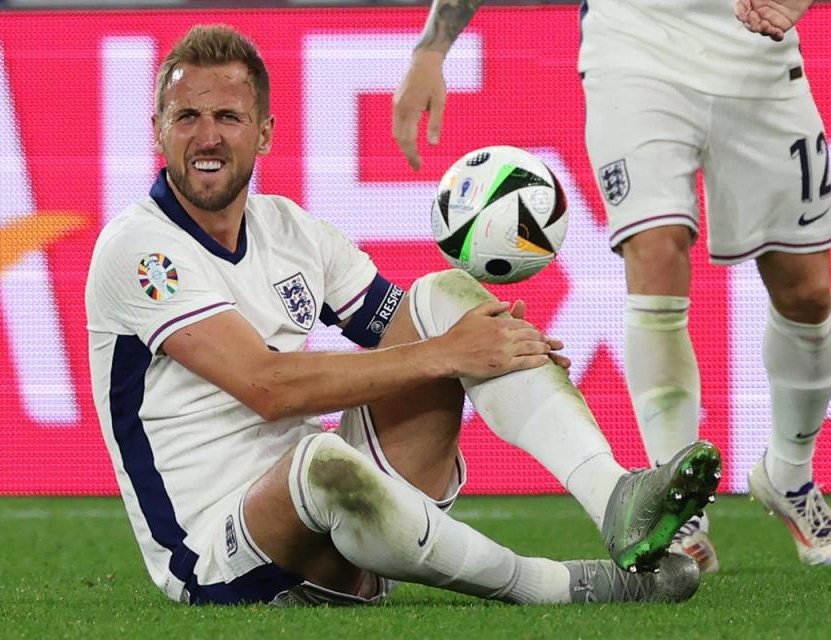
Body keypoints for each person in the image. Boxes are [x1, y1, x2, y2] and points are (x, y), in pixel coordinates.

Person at [85, 24, 722, 607]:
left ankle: (615, 497)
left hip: (341, 531)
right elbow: (266, 387)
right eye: (186, 116)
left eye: (228, 116)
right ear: (159, 129)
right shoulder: (138, 248)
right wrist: (452, 354)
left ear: (265, 132)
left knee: (446, 296)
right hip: (218, 558)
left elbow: (416, 328)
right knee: (323, 459)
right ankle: (556, 586)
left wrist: (494, 347)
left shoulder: (292, 230)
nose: (207, 136)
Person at [391, 0, 831, 572]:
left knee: (805, 293)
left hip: (759, 57)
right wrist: (431, 49)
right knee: (656, 253)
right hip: (634, 46)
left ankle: (789, 474)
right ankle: (677, 501)